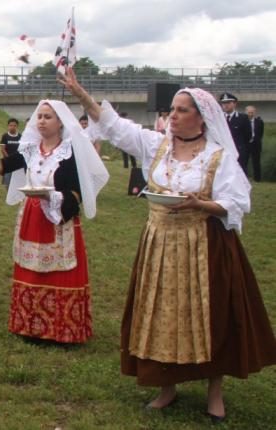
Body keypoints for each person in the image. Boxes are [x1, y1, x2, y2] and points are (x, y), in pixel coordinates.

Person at [60, 67, 276, 422]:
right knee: (160, 313)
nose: (172, 116)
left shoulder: (218, 157)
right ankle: (166, 386)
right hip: (159, 244)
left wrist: (201, 204)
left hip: (203, 244)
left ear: (201, 119)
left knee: (211, 315)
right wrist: (81, 93)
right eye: (172, 110)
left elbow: (237, 202)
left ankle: (214, 392)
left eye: (180, 110)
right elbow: (114, 126)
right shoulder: (157, 145)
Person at [0, 100, 108, 342]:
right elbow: (1, 166)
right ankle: (30, 325)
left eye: (48, 117)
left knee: (56, 270)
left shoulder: (70, 152)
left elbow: (78, 191)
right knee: (31, 269)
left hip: (57, 219)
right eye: (39, 116)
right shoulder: (30, 150)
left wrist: (52, 196)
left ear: (60, 122)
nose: (41, 121)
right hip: (32, 216)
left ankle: (61, 329)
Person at [219, 92, 252, 176]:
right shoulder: (219, 118)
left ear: (234, 104)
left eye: (228, 103)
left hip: (238, 151)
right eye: (223, 103)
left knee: (240, 174)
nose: (225, 105)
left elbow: (248, 136)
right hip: (223, 151)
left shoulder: (242, 118)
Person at [0, 118, 21, 187]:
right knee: (7, 182)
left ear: (17, 126)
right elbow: (3, 149)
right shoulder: (5, 136)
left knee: (17, 181)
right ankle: (9, 196)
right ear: (8, 126)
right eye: (11, 125)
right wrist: (9, 159)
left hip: (18, 162)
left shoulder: (20, 136)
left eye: (14, 125)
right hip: (7, 161)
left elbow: (21, 149)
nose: (12, 127)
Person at [245, 105, 264, 182]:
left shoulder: (259, 122)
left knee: (256, 162)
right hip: (246, 144)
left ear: (255, 113)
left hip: (256, 145)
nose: (250, 114)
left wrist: (255, 139)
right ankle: (244, 179)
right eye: (249, 112)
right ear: (246, 112)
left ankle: (257, 179)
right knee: (244, 162)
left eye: (252, 112)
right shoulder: (243, 122)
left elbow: (261, 133)